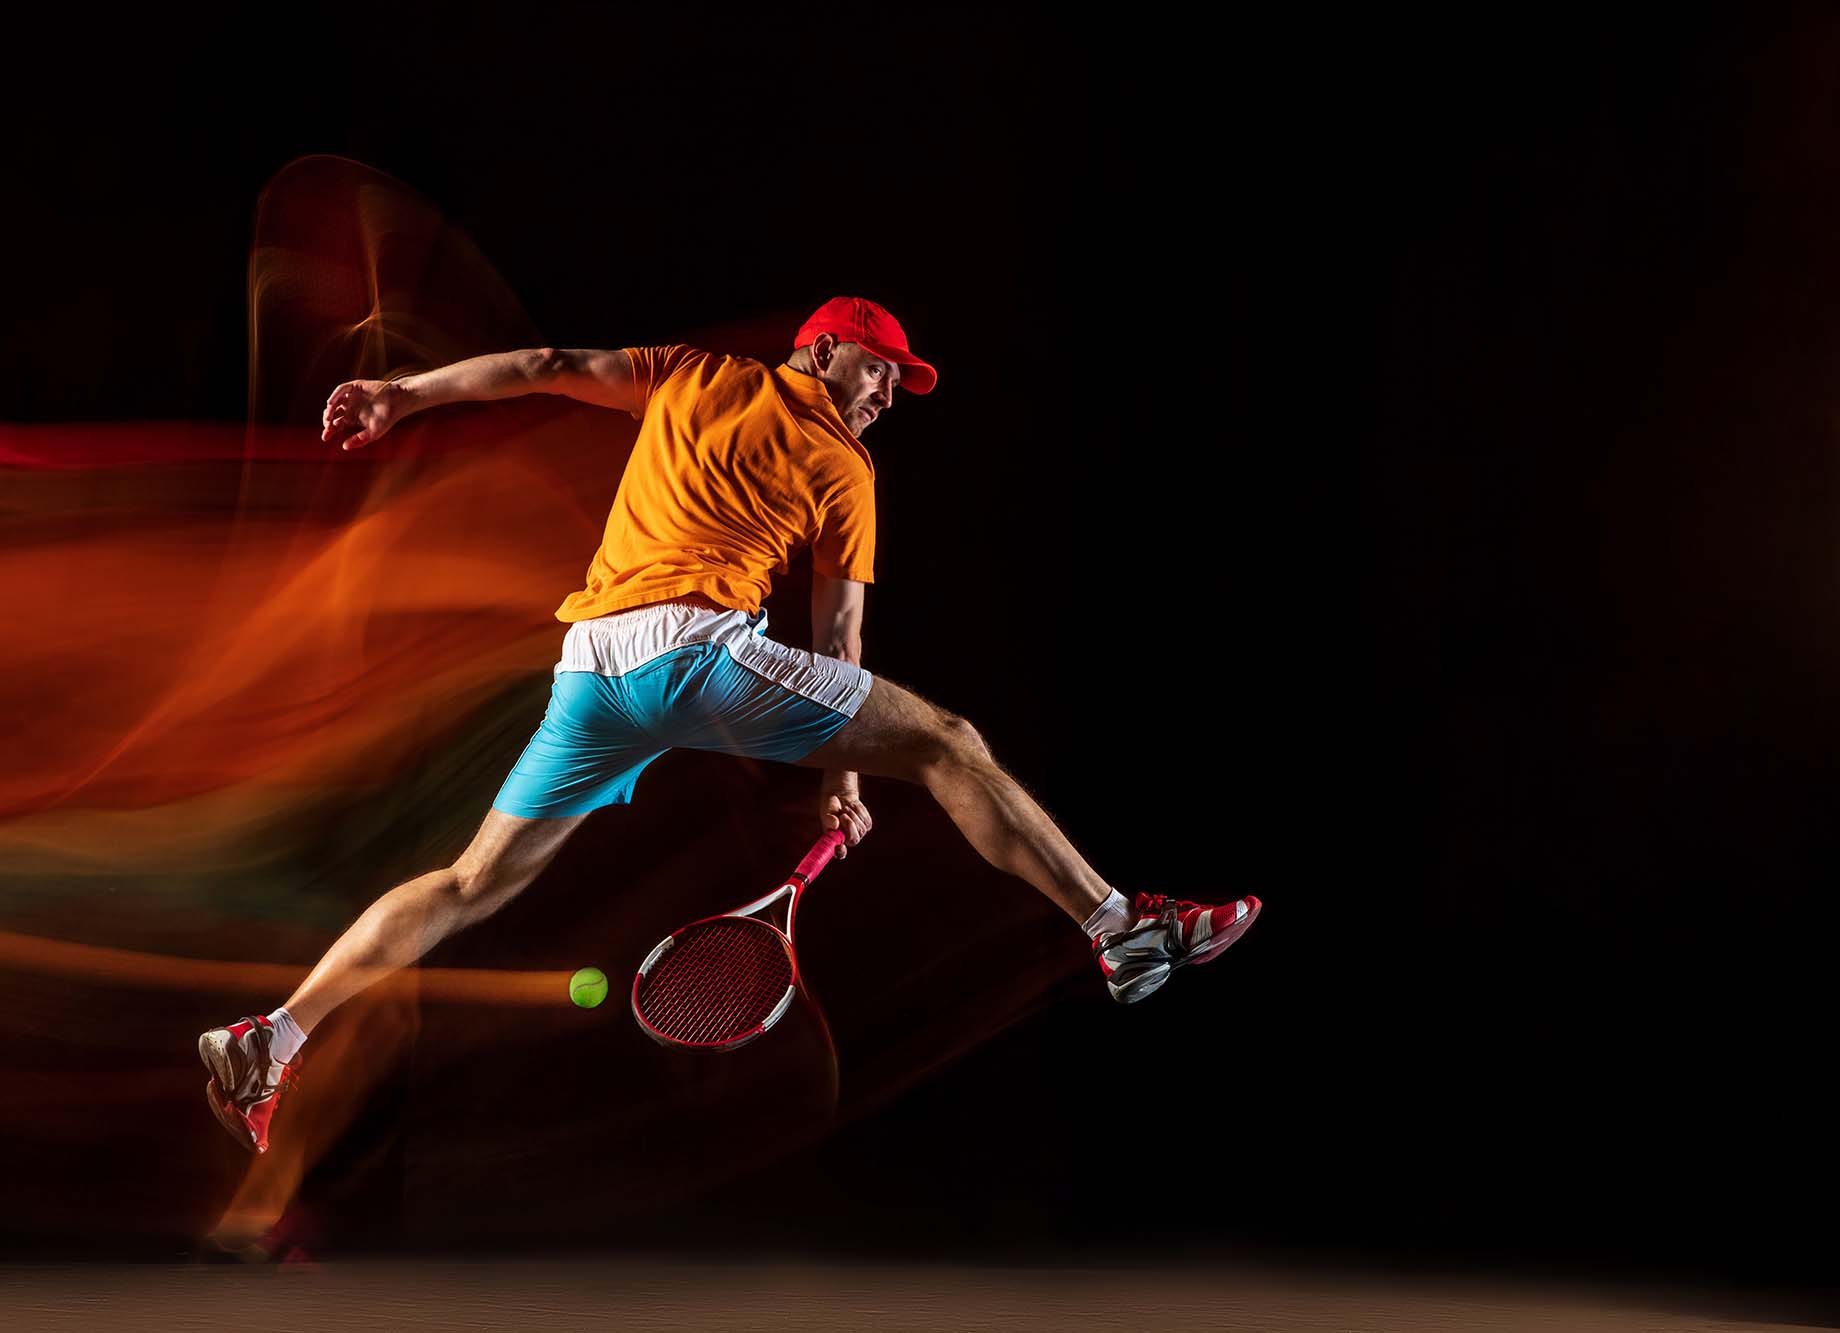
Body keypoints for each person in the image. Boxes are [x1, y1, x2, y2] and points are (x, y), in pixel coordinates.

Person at [198, 296, 1261, 1153]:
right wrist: (843, 785)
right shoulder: (842, 467)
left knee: (470, 883)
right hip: (690, 654)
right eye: (883, 369)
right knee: (946, 742)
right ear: (829, 349)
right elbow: (835, 638)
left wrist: (400, 394)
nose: (891, 393)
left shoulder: (690, 373)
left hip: (590, 669)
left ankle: (272, 1035)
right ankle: (1119, 926)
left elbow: (542, 364)